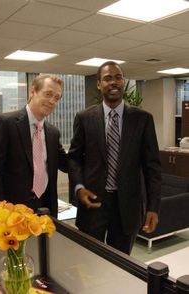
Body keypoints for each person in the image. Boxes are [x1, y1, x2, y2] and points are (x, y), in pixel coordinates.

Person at [68, 61, 161, 254]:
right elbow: (74, 158)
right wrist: (78, 187)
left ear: (123, 82)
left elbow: (152, 167)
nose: (114, 82)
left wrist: (153, 207)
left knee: (120, 264)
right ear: (99, 84)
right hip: (93, 204)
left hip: (127, 207)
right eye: (108, 78)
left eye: (118, 77)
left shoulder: (143, 119)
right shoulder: (84, 118)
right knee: (90, 261)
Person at [0, 74, 68, 217]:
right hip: (10, 210)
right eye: (48, 94)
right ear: (32, 92)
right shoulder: (5, 123)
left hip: (44, 208)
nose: (52, 101)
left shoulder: (53, 133)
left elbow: (66, 164)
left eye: (57, 98)